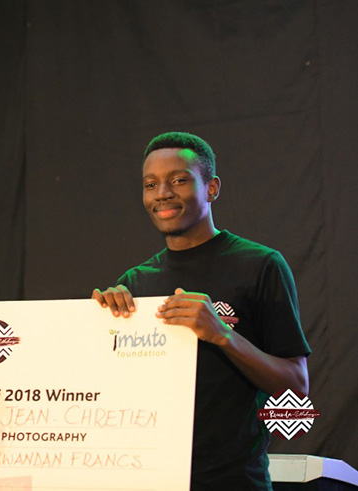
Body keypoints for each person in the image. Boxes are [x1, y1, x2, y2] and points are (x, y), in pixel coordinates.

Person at [92, 132, 310, 490]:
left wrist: (222, 334)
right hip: (149, 477)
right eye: (151, 184)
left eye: (178, 180)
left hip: (233, 481)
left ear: (211, 188)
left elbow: (296, 388)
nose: (162, 193)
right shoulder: (135, 283)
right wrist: (99, 321)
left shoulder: (261, 265)